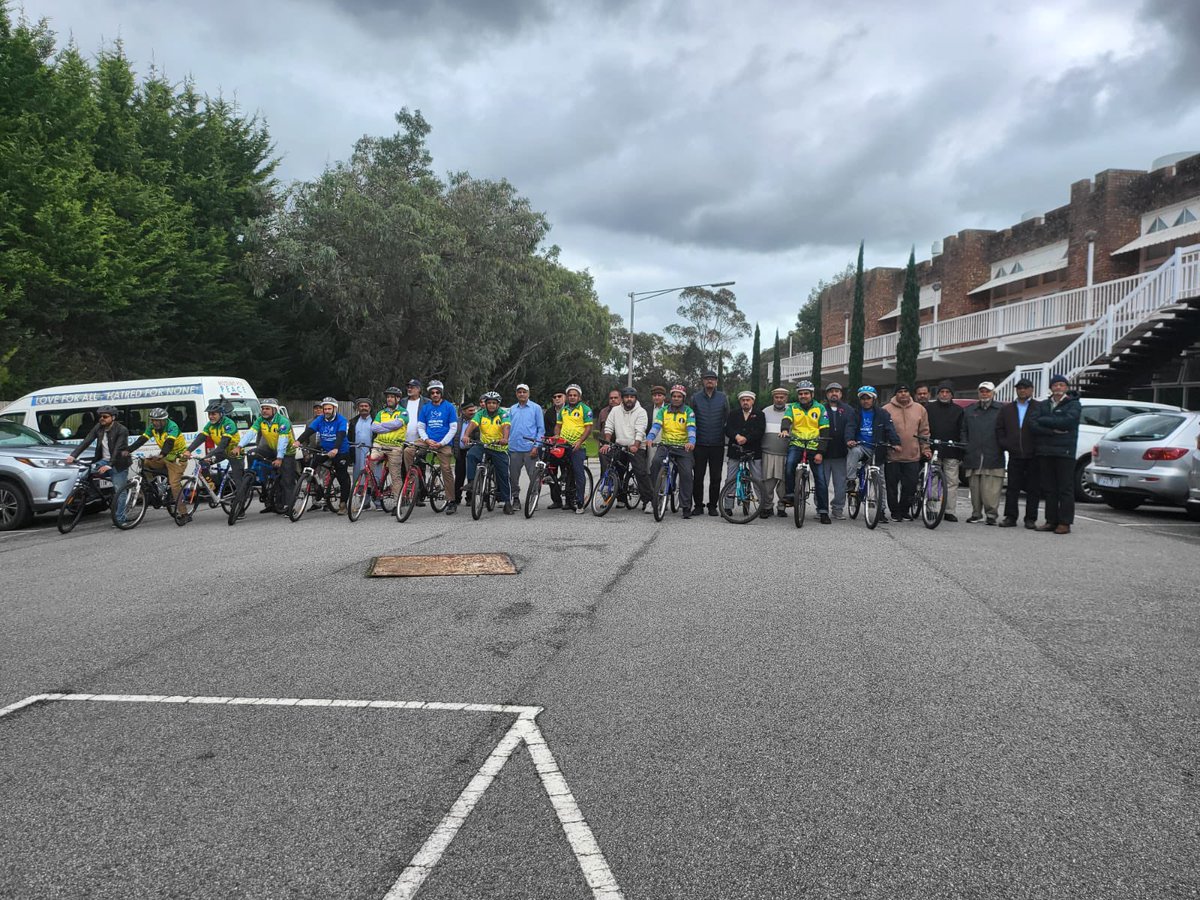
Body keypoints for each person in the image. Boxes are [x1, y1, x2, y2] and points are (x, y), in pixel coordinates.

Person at [1030, 373, 1081, 535]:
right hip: (1045, 451)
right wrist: (1052, 429)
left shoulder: (1073, 404)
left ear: (1066, 387)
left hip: (1065, 451)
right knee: (1049, 489)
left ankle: (1065, 522)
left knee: (1065, 488)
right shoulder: (1043, 404)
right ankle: (1050, 520)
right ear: (1051, 388)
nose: (1058, 388)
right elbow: (1032, 423)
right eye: (1055, 385)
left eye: (1061, 385)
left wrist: (1045, 420)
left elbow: (1068, 422)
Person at [66, 404, 132, 525]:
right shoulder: (99, 427)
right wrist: (73, 455)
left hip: (118, 463)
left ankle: (120, 519)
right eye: (100, 416)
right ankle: (91, 495)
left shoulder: (122, 430)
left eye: (105, 416)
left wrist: (110, 465)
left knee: (120, 491)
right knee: (84, 475)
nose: (102, 419)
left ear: (113, 417)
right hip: (103, 460)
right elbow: (87, 441)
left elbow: (118, 449)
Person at [844, 387, 901, 523]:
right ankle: (851, 481)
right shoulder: (855, 413)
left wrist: (895, 443)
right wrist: (849, 440)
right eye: (863, 398)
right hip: (861, 446)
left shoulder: (883, 414)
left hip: (878, 448)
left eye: (868, 398)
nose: (865, 401)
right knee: (854, 452)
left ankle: (880, 511)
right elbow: (850, 427)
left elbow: (890, 429)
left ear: (874, 399)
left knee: (880, 481)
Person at [781, 381, 831, 525]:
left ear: (812, 394)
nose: (803, 396)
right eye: (801, 393)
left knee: (820, 479)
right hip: (797, 443)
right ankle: (790, 494)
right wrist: (785, 429)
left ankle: (823, 512)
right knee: (789, 464)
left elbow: (825, 430)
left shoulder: (820, 408)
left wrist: (820, 452)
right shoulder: (792, 407)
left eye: (806, 393)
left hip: (814, 446)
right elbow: (786, 420)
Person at [407, 380, 459, 515]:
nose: (435, 394)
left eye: (437, 392)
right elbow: (421, 426)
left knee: (446, 469)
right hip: (427, 440)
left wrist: (441, 443)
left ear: (441, 393)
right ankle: (411, 476)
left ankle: (451, 501)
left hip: (444, 443)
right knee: (408, 450)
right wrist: (427, 439)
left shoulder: (449, 407)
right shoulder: (426, 407)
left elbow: (453, 428)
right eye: (432, 393)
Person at [996, 377, 1040, 529]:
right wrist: (1005, 443)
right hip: (1015, 454)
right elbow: (1000, 428)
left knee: (1033, 488)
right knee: (1012, 488)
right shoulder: (1007, 408)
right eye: (1019, 388)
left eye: (1025, 388)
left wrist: (1038, 446)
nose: (1022, 390)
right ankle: (1010, 517)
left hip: (1033, 454)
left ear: (1031, 389)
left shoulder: (1038, 407)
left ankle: (1030, 518)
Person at [127, 407, 189, 518]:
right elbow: (142, 439)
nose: (154, 423)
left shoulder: (172, 427)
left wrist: (162, 454)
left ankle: (184, 513)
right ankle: (153, 488)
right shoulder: (152, 428)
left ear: (164, 420)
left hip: (177, 458)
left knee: (174, 485)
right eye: (153, 420)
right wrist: (128, 450)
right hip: (164, 457)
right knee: (145, 463)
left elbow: (169, 442)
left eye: (157, 420)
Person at [238, 398, 297, 512]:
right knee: (252, 453)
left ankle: (290, 507)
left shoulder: (283, 421)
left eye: (267, 409)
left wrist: (279, 458)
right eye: (263, 409)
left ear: (274, 410)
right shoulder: (261, 420)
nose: (264, 411)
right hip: (271, 449)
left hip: (286, 452)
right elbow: (251, 433)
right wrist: (239, 446)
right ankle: (252, 476)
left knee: (287, 480)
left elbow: (282, 441)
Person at [646, 385, 696, 518]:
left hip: (683, 447)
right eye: (674, 396)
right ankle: (657, 494)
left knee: (686, 474)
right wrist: (650, 438)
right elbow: (656, 426)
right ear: (671, 397)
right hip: (665, 445)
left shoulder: (688, 411)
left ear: (683, 398)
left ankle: (686, 506)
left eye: (679, 396)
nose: (676, 398)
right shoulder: (663, 411)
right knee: (655, 463)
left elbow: (691, 428)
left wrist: (691, 442)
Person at [882, 384, 930, 522]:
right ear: (895, 394)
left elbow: (924, 431)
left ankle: (904, 510)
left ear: (910, 393)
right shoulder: (886, 409)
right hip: (892, 456)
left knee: (910, 486)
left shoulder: (920, 409)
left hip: (912, 455)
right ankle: (895, 511)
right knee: (891, 487)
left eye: (905, 391)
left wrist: (925, 449)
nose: (903, 394)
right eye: (900, 391)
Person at [602, 386, 652, 512]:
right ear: (622, 399)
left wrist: (635, 445)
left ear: (635, 398)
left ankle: (649, 501)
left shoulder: (641, 412)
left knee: (641, 472)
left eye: (632, 397)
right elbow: (608, 427)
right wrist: (607, 443)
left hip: (636, 446)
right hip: (620, 445)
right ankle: (615, 494)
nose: (629, 399)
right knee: (610, 462)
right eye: (626, 397)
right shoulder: (615, 411)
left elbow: (640, 430)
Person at [297, 397, 350, 514]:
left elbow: (341, 435)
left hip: (340, 451)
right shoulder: (320, 419)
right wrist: (298, 441)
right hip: (325, 449)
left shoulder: (342, 420)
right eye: (324, 408)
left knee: (342, 476)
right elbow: (309, 431)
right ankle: (318, 487)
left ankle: (343, 504)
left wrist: (336, 448)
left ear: (334, 408)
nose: (326, 411)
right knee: (312, 464)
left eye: (329, 409)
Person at [962, 381, 1004, 525]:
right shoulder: (970, 410)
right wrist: (966, 446)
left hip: (993, 453)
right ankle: (976, 513)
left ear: (993, 393)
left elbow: (1006, 430)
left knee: (991, 489)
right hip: (973, 453)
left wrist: (1002, 445)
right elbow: (963, 430)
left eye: (987, 391)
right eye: (982, 391)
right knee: (975, 488)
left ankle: (991, 515)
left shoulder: (1001, 410)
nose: (984, 394)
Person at [464, 392, 514, 514]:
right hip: (484, 445)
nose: (491, 405)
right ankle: (471, 482)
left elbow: (506, 426)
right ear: (485, 404)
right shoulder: (481, 414)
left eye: (494, 403)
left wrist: (505, 438)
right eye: (489, 403)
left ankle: (507, 502)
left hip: (498, 447)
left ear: (498, 404)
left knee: (503, 475)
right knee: (471, 454)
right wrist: (466, 435)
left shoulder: (504, 414)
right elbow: (473, 424)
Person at [723, 390, 768, 519]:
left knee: (758, 478)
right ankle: (727, 506)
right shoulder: (733, 414)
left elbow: (760, 430)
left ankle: (762, 507)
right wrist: (736, 436)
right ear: (740, 402)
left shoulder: (759, 414)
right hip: (735, 449)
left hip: (753, 450)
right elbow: (728, 429)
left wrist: (747, 438)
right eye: (743, 400)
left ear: (752, 401)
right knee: (731, 478)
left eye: (748, 400)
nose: (745, 402)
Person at [689, 370, 729, 517]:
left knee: (716, 477)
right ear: (703, 381)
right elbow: (691, 420)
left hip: (717, 444)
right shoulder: (695, 398)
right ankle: (698, 505)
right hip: (699, 444)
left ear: (716, 381)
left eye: (712, 379)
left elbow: (726, 418)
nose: (710, 381)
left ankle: (713, 506)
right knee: (698, 477)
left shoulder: (723, 397)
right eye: (707, 379)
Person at [185, 400, 245, 496]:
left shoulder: (229, 423)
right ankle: (212, 489)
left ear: (221, 414)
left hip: (235, 452)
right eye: (209, 414)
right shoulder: (210, 425)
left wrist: (211, 456)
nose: (211, 416)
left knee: (237, 478)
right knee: (203, 463)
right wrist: (188, 450)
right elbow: (201, 438)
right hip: (222, 452)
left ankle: (241, 502)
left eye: (214, 414)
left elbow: (223, 445)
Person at [925, 381, 965, 522]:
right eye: (942, 392)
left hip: (952, 450)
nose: (944, 394)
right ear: (938, 394)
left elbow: (962, 431)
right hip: (934, 449)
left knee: (952, 481)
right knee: (933, 479)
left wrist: (961, 449)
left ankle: (949, 510)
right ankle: (931, 509)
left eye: (947, 392)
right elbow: (925, 428)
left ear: (952, 394)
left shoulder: (959, 410)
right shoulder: (929, 408)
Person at [554, 383, 593, 514]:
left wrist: (579, 441)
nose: (572, 397)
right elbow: (558, 426)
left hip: (578, 446)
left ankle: (580, 502)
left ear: (579, 396)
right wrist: (556, 436)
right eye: (570, 395)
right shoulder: (563, 410)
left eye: (575, 395)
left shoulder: (585, 409)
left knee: (578, 473)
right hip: (563, 444)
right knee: (552, 463)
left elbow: (588, 428)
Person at [369, 387, 408, 511]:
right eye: (388, 397)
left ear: (398, 398)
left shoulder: (404, 412)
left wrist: (382, 426)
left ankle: (398, 504)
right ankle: (371, 487)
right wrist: (390, 426)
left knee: (395, 476)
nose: (389, 399)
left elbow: (398, 424)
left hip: (395, 446)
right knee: (369, 461)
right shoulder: (381, 413)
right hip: (379, 444)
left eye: (392, 397)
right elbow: (374, 428)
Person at [507, 383, 544, 506]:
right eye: (519, 392)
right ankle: (515, 498)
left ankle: (533, 499)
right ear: (516, 394)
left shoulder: (536, 408)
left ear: (528, 394)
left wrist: (536, 446)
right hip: (514, 448)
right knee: (513, 476)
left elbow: (541, 429)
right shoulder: (512, 409)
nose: (522, 394)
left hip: (530, 449)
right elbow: (506, 427)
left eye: (524, 392)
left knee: (534, 476)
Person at [821, 382, 854, 519]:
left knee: (840, 485)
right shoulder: (820, 409)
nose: (834, 393)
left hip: (841, 453)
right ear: (827, 394)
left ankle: (838, 509)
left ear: (841, 394)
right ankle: (821, 508)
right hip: (823, 453)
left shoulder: (848, 410)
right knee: (821, 483)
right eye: (831, 391)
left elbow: (851, 427)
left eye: (837, 391)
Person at [760, 387, 791, 517]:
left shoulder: (792, 411)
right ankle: (767, 507)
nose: (779, 399)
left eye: (782, 397)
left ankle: (781, 507)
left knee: (784, 483)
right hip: (768, 452)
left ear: (786, 398)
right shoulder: (765, 411)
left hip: (786, 453)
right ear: (773, 398)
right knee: (768, 482)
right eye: (776, 397)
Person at [544, 389, 567, 509]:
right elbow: (547, 430)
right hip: (552, 446)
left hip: (565, 445)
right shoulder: (549, 412)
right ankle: (556, 500)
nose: (557, 398)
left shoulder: (569, 410)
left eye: (559, 396)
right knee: (551, 473)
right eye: (554, 396)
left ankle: (569, 500)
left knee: (567, 474)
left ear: (564, 397)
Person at [453, 401, 477, 506]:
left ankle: (470, 498)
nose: (473, 412)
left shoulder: (477, 422)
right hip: (460, 452)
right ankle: (456, 498)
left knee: (472, 476)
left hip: (472, 451)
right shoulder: (457, 422)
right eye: (470, 410)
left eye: (473, 410)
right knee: (459, 476)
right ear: (463, 411)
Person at [349, 397, 375, 483]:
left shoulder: (375, 421)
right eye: (361, 406)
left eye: (366, 406)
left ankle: (370, 493)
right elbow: (349, 438)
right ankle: (358, 493)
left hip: (371, 452)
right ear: (358, 408)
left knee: (371, 476)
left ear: (370, 408)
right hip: (357, 452)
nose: (363, 408)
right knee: (357, 477)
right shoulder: (353, 422)